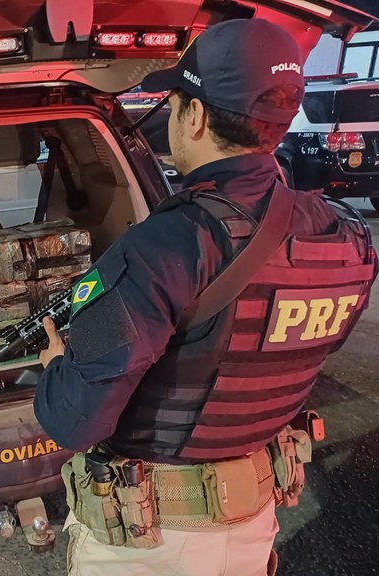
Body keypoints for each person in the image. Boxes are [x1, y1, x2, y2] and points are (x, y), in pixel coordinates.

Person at [34, 18, 376, 576]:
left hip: (150, 545)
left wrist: (56, 367)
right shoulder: (347, 235)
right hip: (251, 526)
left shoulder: (158, 248)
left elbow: (76, 421)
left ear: (192, 115)